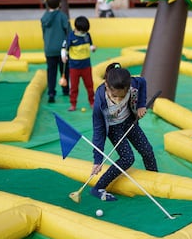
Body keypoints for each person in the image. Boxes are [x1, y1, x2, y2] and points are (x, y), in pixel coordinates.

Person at [89, 62, 158, 201]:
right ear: (107, 86)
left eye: (122, 96)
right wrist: (98, 160)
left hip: (129, 122)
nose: (119, 100)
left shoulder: (132, 83)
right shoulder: (100, 104)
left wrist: (141, 105)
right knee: (128, 158)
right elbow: (99, 132)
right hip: (114, 128)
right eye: (115, 97)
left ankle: (155, 181)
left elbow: (143, 82)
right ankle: (98, 187)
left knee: (147, 151)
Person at [41, 0, 71, 103]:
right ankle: (65, 89)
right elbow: (68, 31)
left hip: (49, 49)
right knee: (64, 69)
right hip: (62, 49)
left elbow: (44, 33)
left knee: (51, 71)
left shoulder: (44, 17)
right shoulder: (62, 16)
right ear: (59, 3)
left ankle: (51, 93)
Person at [61, 16, 96, 111]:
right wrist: (64, 55)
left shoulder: (87, 35)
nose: (84, 33)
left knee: (89, 85)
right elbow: (64, 48)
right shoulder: (70, 37)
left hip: (86, 65)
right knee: (74, 86)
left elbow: (90, 45)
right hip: (74, 67)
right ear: (76, 28)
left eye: (85, 31)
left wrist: (92, 48)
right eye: (82, 31)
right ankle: (73, 103)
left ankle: (92, 102)